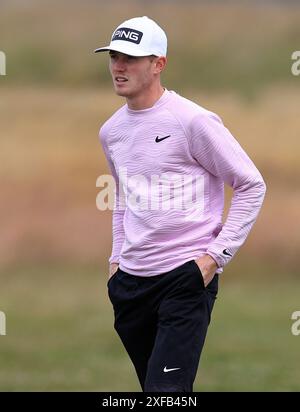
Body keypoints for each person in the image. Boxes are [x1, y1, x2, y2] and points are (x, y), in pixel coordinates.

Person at [94, 16, 266, 392]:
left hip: (184, 279)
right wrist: (115, 262)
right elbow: (123, 197)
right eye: (114, 57)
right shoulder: (111, 131)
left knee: (165, 394)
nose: (119, 67)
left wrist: (214, 258)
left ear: (159, 64)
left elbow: (251, 184)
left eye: (131, 58)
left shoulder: (193, 121)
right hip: (130, 285)